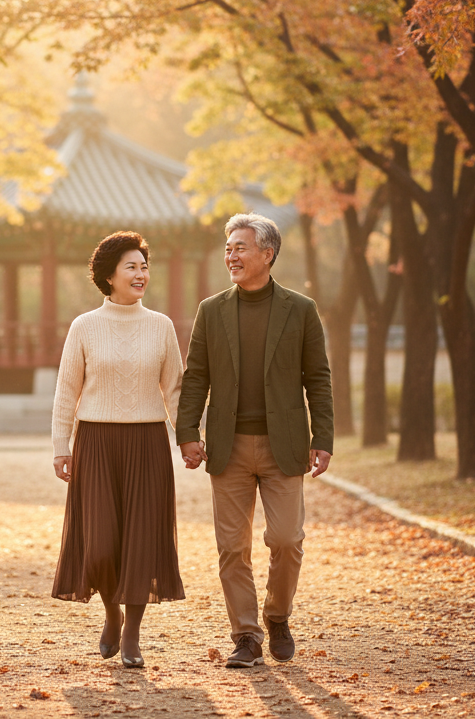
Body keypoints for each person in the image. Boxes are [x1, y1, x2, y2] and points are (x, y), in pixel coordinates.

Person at [176, 213, 333, 667]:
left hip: (284, 445)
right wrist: (188, 433)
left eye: (240, 247)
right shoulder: (211, 310)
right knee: (232, 546)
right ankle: (246, 635)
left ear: (268, 253)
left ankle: (278, 616)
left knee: (286, 539)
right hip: (228, 447)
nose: (231, 255)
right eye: (228, 248)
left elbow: (317, 379)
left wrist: (322, 436)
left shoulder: (300, 309)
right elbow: (196, 376)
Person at [50, 231, 186, 668]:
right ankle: (111, 612)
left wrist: (189, 437)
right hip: (96, 442)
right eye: (131, 266)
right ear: (108, 275)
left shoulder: (161, 326)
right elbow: (66, 389)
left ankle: (132, 632)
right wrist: (60, 445)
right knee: (102, 543)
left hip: (147, 443)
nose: (141, 273)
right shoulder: (84, 326)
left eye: (144, 266)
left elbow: (176, 391)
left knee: (142, 542)